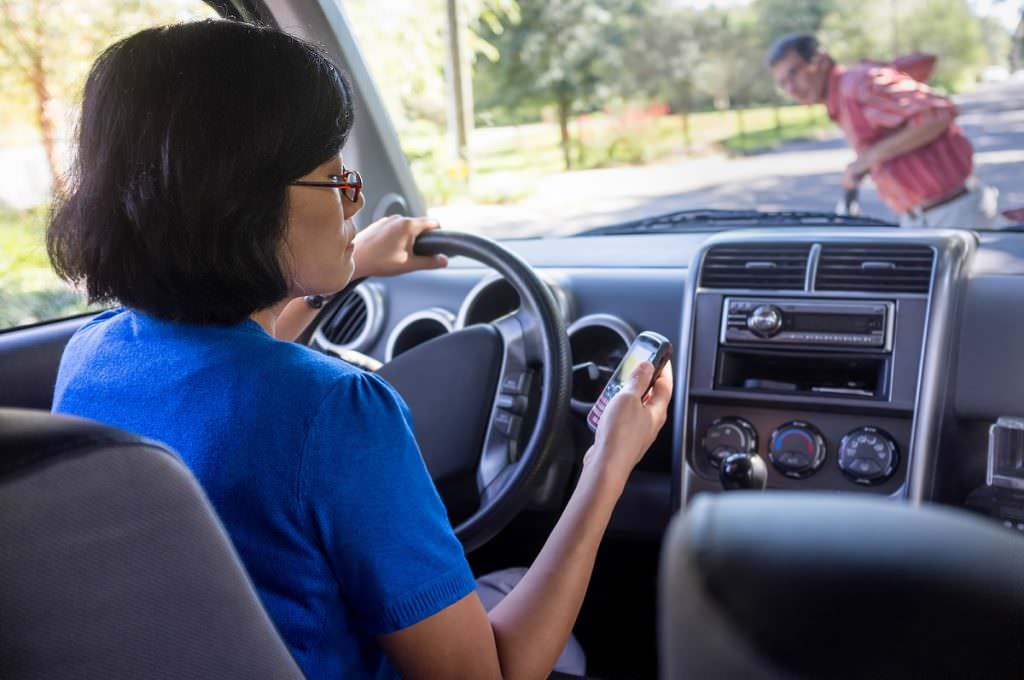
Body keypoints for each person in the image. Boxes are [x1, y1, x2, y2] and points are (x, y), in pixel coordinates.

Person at [47, 20, 672, 680]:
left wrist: (346, 270)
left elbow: (227, 386)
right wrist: (608, 466)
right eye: (331, 174)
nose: (358, 195)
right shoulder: (340, 410)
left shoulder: (93, 356)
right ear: (241, 201)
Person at [767, 33, 999, 229]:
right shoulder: (841, 100)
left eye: (793, 73)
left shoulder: (859, 85)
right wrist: (863, 165)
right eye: (782, 84)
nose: (791, 88)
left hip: (952, 214)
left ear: (822, 61)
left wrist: (865, 161)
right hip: (922, 218)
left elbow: (937, 114)